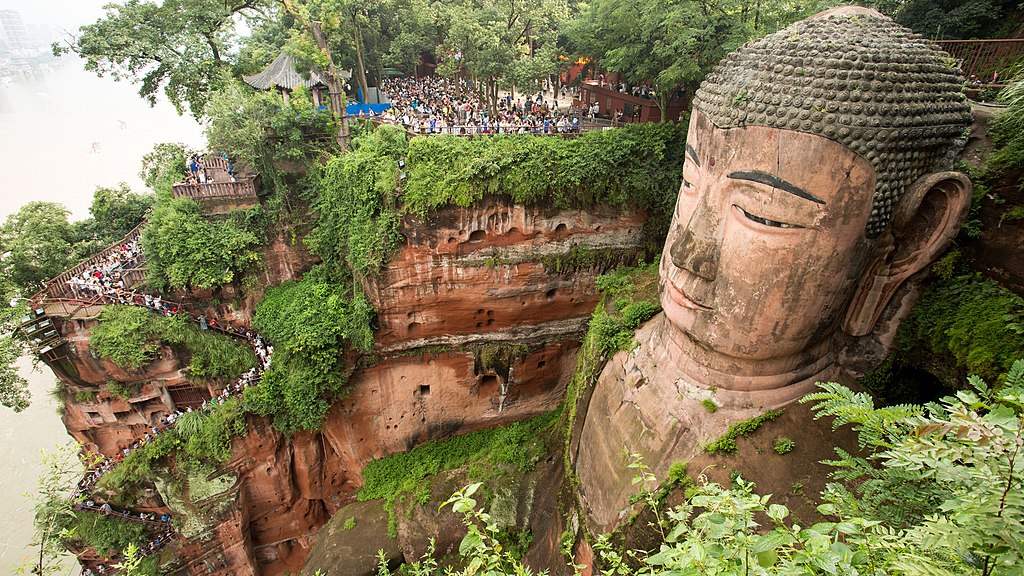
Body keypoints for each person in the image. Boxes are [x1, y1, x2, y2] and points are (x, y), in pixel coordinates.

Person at [575, 6, 974, 531]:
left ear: (911, 239)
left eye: (762, 213)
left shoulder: (819, 509)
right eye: (689, 184)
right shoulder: (627, 337)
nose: (686, 252)